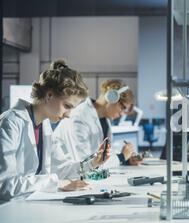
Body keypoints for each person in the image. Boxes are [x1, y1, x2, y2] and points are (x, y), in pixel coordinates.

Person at [0, 60, 109, 200]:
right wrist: (56, 183)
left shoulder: (45, 126)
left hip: (29, 204)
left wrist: (93, 163)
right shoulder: (11, 123)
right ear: (49, 95)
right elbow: (5, 185)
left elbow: (61, 168)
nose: (69, 114)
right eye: (67, 106)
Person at [53, 79, 142, 175]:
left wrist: (126, 160)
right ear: (112, 98)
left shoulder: (104, 120)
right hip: (66, 176)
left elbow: (102, 155)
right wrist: (121, 157)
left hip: (84, 175)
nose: (122, 114)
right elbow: (85, 162)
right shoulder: (80, 117)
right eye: (123, 107)